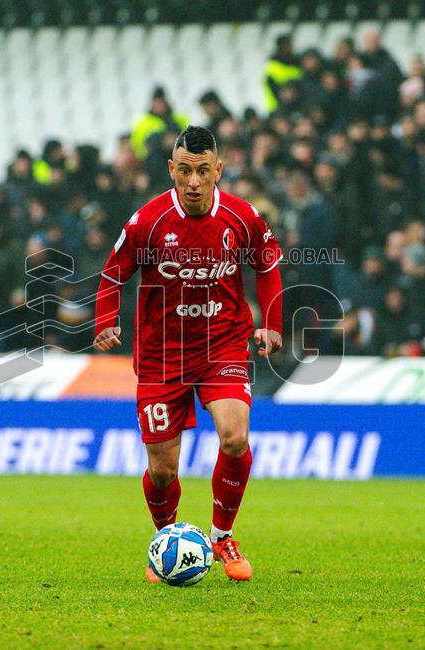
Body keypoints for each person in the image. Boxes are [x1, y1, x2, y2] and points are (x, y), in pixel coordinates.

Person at [93, 126, 283, 583]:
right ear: (171, 171)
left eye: (202, 171)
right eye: (184, 171)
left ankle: (222, 536)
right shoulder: (148, 222)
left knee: (235, 438)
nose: (194, 181)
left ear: (218, 170)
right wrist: (104, 321)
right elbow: (113, 274)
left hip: (223, 343)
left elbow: (269, 265)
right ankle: (167, 542)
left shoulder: (243, 217)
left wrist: (273, 322)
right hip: (162, 355)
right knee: (162, 470)